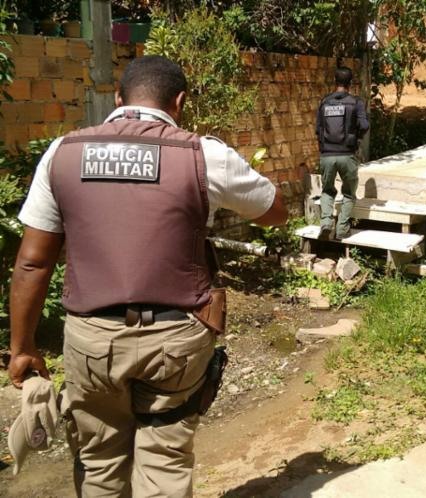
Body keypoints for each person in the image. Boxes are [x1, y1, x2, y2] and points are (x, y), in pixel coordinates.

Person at [7, 55, 288, 497]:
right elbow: (275, 212)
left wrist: (21, 348)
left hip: (92, 341)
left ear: (117, 100)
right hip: (176, 340)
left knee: (99, 463)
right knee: (165, 461)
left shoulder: (62, 153)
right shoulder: (202, 155)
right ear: (179, 102)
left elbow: (31, 263)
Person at [316, 66, 369, 240]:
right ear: (350, 83)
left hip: (327, 155)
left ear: (335, 82)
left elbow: (318, 129)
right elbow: (364, 126)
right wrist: (356, 140)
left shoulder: (324, 102)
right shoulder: (356, 102)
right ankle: (341, 230)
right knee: (348, 193)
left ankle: (325, 223)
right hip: (347, 154)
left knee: (327, 190)